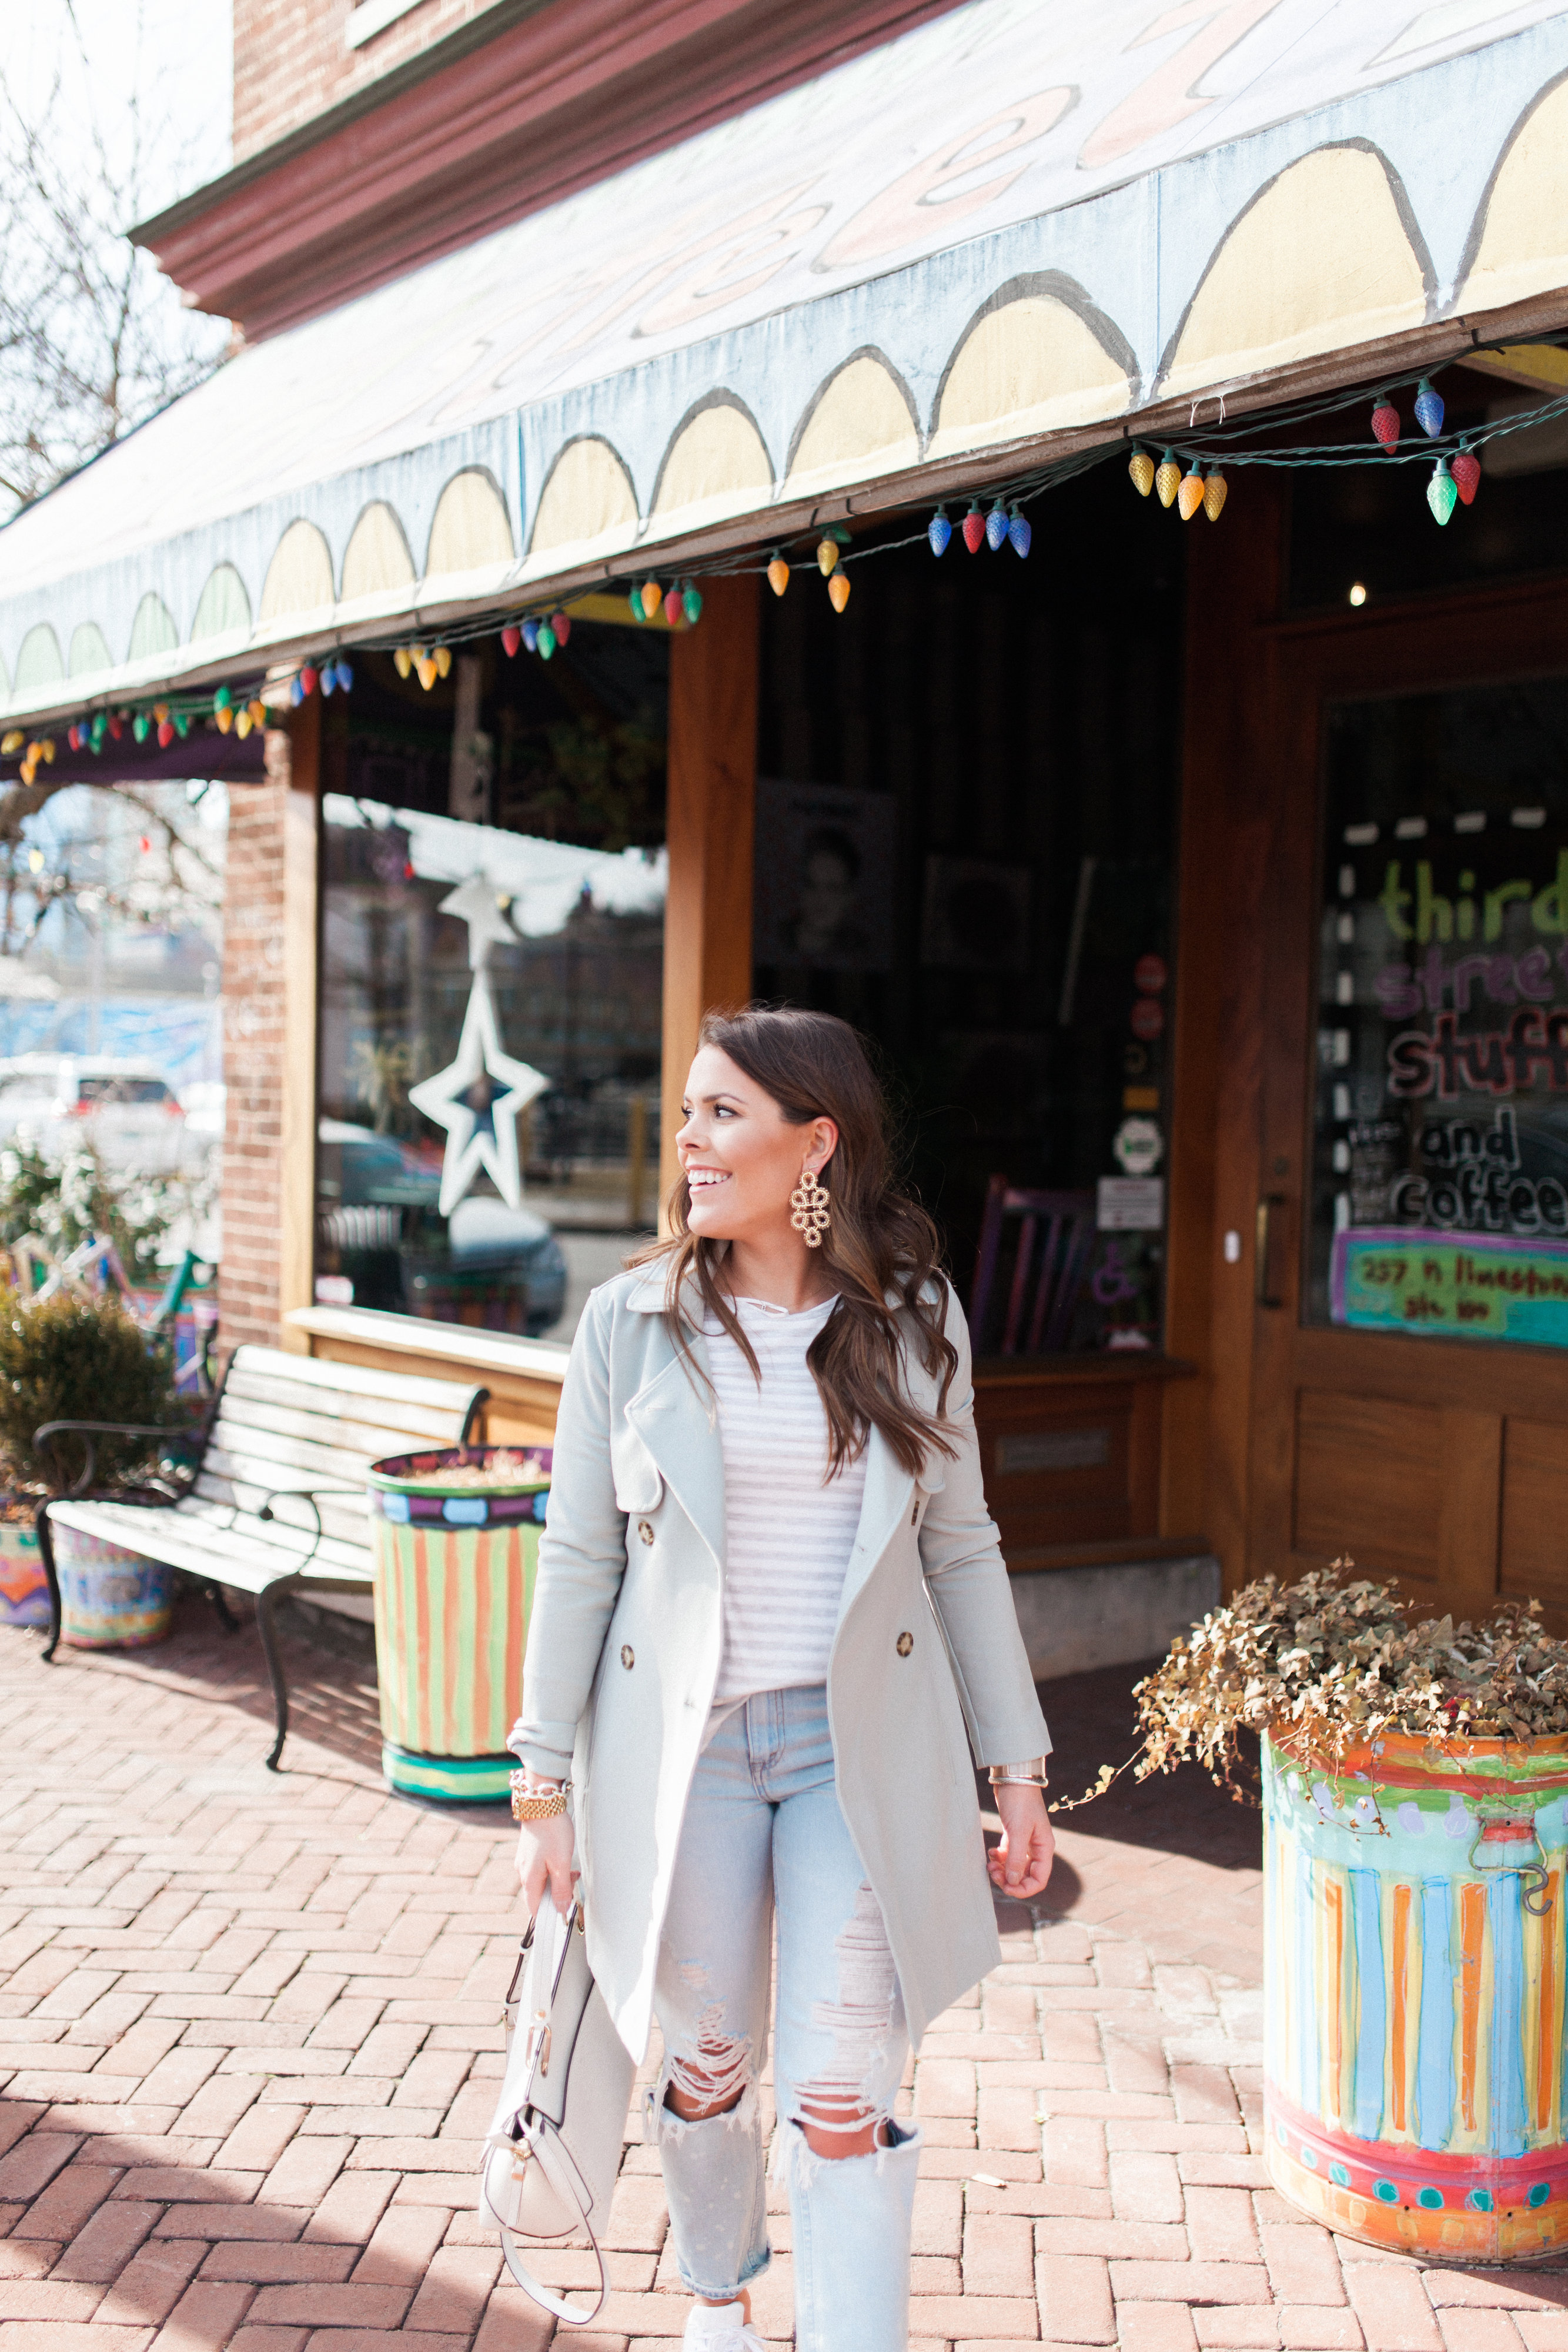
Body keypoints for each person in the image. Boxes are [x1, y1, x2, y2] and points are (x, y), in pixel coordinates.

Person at [510, 1005, 1053, 2352]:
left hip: (851, 1753)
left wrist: (1016, 1762)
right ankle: (719, 2300)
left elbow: (963, 1544)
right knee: (702, 2072)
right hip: (681, 1756)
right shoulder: (628, 1323)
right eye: (686, 1113)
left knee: (834, 2081)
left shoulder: (913, 1319)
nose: (686, 1140)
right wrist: (542, 1779)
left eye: (719, 1113)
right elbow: (577, 1554)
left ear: (814, 1140)